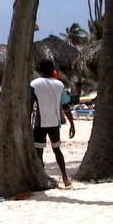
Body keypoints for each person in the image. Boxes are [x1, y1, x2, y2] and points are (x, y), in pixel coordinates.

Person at [30, 59, 72, 188]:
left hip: (40, 123)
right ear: (52, 70)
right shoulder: (59, 85)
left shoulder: (34, 84)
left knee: (39, 152)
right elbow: (65, 106)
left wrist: (27, 123)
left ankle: (41, 176)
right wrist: (72, 123)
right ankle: (65, 177)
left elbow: (30, 105)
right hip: (55, 122)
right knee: (57, 150)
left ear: (39, 70)